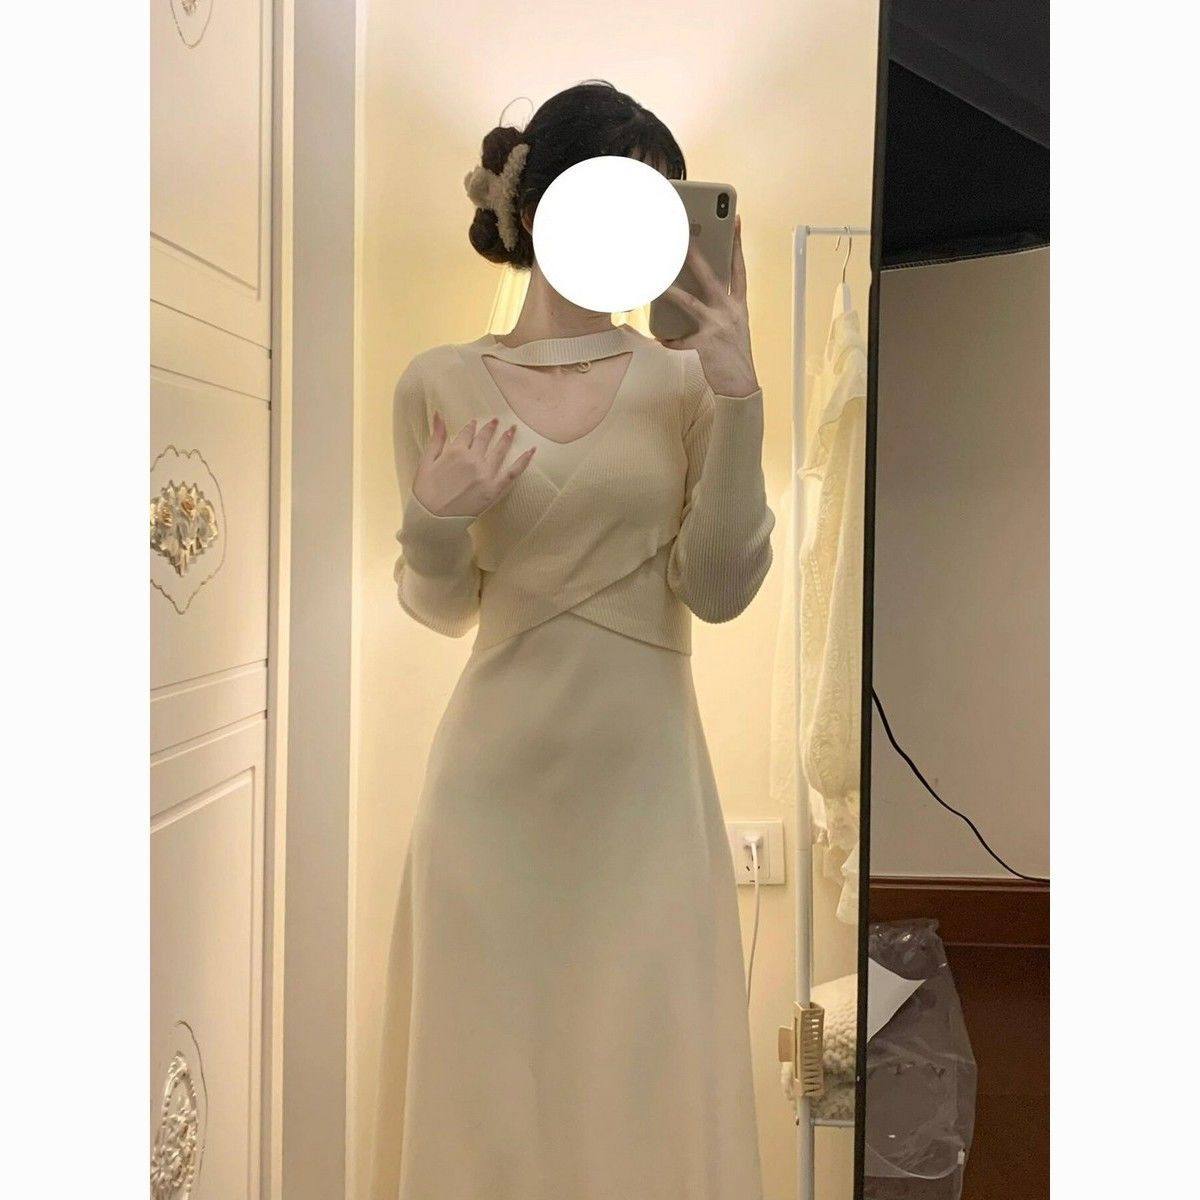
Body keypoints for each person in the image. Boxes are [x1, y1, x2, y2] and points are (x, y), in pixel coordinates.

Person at [373, 80, 774, 1200]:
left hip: (646, 796)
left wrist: (741, 397)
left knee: (647, 1085)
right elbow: (442, 607)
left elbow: (720, 589)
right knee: (486, 1101)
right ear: (542, 202)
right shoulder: (436, 381)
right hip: (489, 795)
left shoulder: (690, 383)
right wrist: (433, 518)